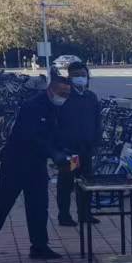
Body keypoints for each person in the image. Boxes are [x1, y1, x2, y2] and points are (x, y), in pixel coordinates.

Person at [0, 73, 71, 263]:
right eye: (62, 93)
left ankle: (39, 246)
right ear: (51, 90)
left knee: (38, 206)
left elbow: (55, 134)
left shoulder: (56, 107)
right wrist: (54, 153)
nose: (64, 97)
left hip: (37, 165)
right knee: (2, 204)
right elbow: (31, 137)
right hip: (15, 163)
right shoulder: (32, 106)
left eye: (67, 94)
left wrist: (63, 151)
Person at [51, 60, 100, 226]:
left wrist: (96, 142)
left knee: (86, 182)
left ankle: (85, 213)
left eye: (83, 75)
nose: (80, 78)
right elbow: (55, 121)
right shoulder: (64, 96)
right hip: (71, 152)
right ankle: (64, 216)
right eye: (76, 75)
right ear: (70, 77)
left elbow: (97, 121)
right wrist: (59, 146)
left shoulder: (90, 97)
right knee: (67, 183)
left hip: (86, 150)